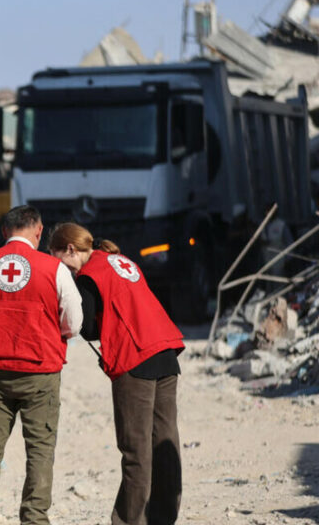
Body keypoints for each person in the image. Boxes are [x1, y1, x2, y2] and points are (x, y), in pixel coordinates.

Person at [49, 222, 185, 525]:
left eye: (59, 259)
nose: (62, 269)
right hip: (165, 351)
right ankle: (163, 518)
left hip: (135, 357)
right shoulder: (120, 260)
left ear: (70, 250)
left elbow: (86, 327)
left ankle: (127, 521)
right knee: (165, 443)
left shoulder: (88, 275)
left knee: (136, 450)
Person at [0, 205, 83, 525]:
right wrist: (57, 334)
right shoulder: (53, 268)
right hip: (40, 370)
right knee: (40, 450)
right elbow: (74, 319)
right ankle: (34, 519)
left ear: (4, 232)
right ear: (39, 231)